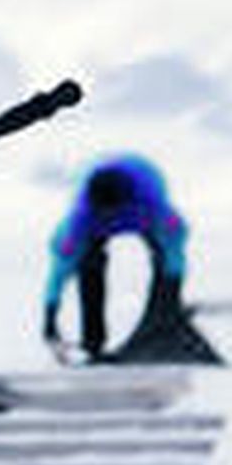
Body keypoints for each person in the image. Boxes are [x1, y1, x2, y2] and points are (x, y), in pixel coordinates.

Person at [41, 153, 195, 362]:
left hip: (144, 195)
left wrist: (172, 291)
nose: (113, 220)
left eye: (115, 215)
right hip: (102, 213)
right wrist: (50, 316)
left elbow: (174, 250)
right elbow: (60, 267)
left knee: (164, 268)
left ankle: (160, 321)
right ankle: (93, 342)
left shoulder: (154, 204)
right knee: (89, 265)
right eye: (107, 217)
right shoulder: (82, 217)